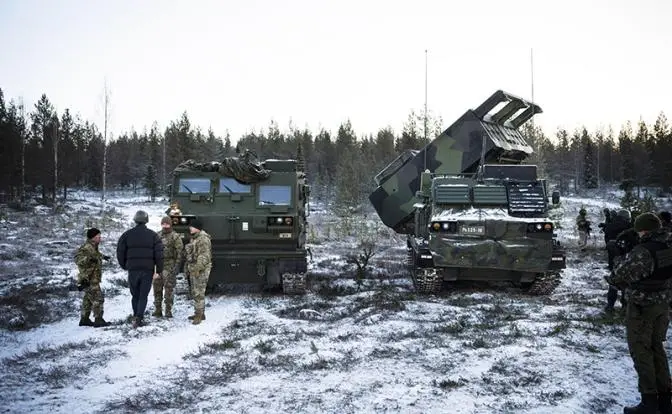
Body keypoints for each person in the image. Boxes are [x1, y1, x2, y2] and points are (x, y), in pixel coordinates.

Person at [606, 212, 672, 413]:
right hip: (663, 305)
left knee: (641, 352)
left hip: (643, 308)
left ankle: (649, 402)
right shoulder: (668, 246)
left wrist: (618, 255)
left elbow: (620, 276)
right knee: (657, 350)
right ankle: (665, 401)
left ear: (643, 230)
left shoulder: (644, 251)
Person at [116, 210, 164, 328]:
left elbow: (120, 252)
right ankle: (139, 317)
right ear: (146, 220)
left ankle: (135, 315)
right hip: (147, 270)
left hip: (133, 270)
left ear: (135, 220)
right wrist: (158, 270)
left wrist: (124, 265)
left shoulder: (126, 235)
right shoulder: (153, 235)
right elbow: (159, 254)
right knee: (143, 295)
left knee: (135, 295)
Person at [75, 228, 111, 327]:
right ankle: (98, 319)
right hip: (89, 278)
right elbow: (78, 260)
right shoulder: (86, 247)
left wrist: (103, 257)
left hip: (92, 277)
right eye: (98, 237)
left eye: (100, 236)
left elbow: (96, 255)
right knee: (98, 298)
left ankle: (84, 319)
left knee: (88, 299)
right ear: (92, 237)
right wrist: (89, 259)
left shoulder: (93, 247)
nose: (100, 238)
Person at [152, 216, 184, 318]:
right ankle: (157, 310)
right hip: (158, 266)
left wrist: (177, 266)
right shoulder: (157, 235)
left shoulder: (175, 236)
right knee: (157, 289)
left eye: (167, 224)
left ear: (170, 224)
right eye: (163, 224)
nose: (165, 226)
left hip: (169, 265)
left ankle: (168, 311)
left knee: (168, 290)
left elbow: (179, 253)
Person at [184, 219, 212, 325]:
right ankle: (200, 313)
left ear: (197, 228)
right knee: (195, 292)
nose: (190, 228)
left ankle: (199, 315)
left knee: (198, 292)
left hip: (200, 269)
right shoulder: (195, 238)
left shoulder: (203, 239)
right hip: (195, 268)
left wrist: (197, 268)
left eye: (192, 226)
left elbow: (204, 256)